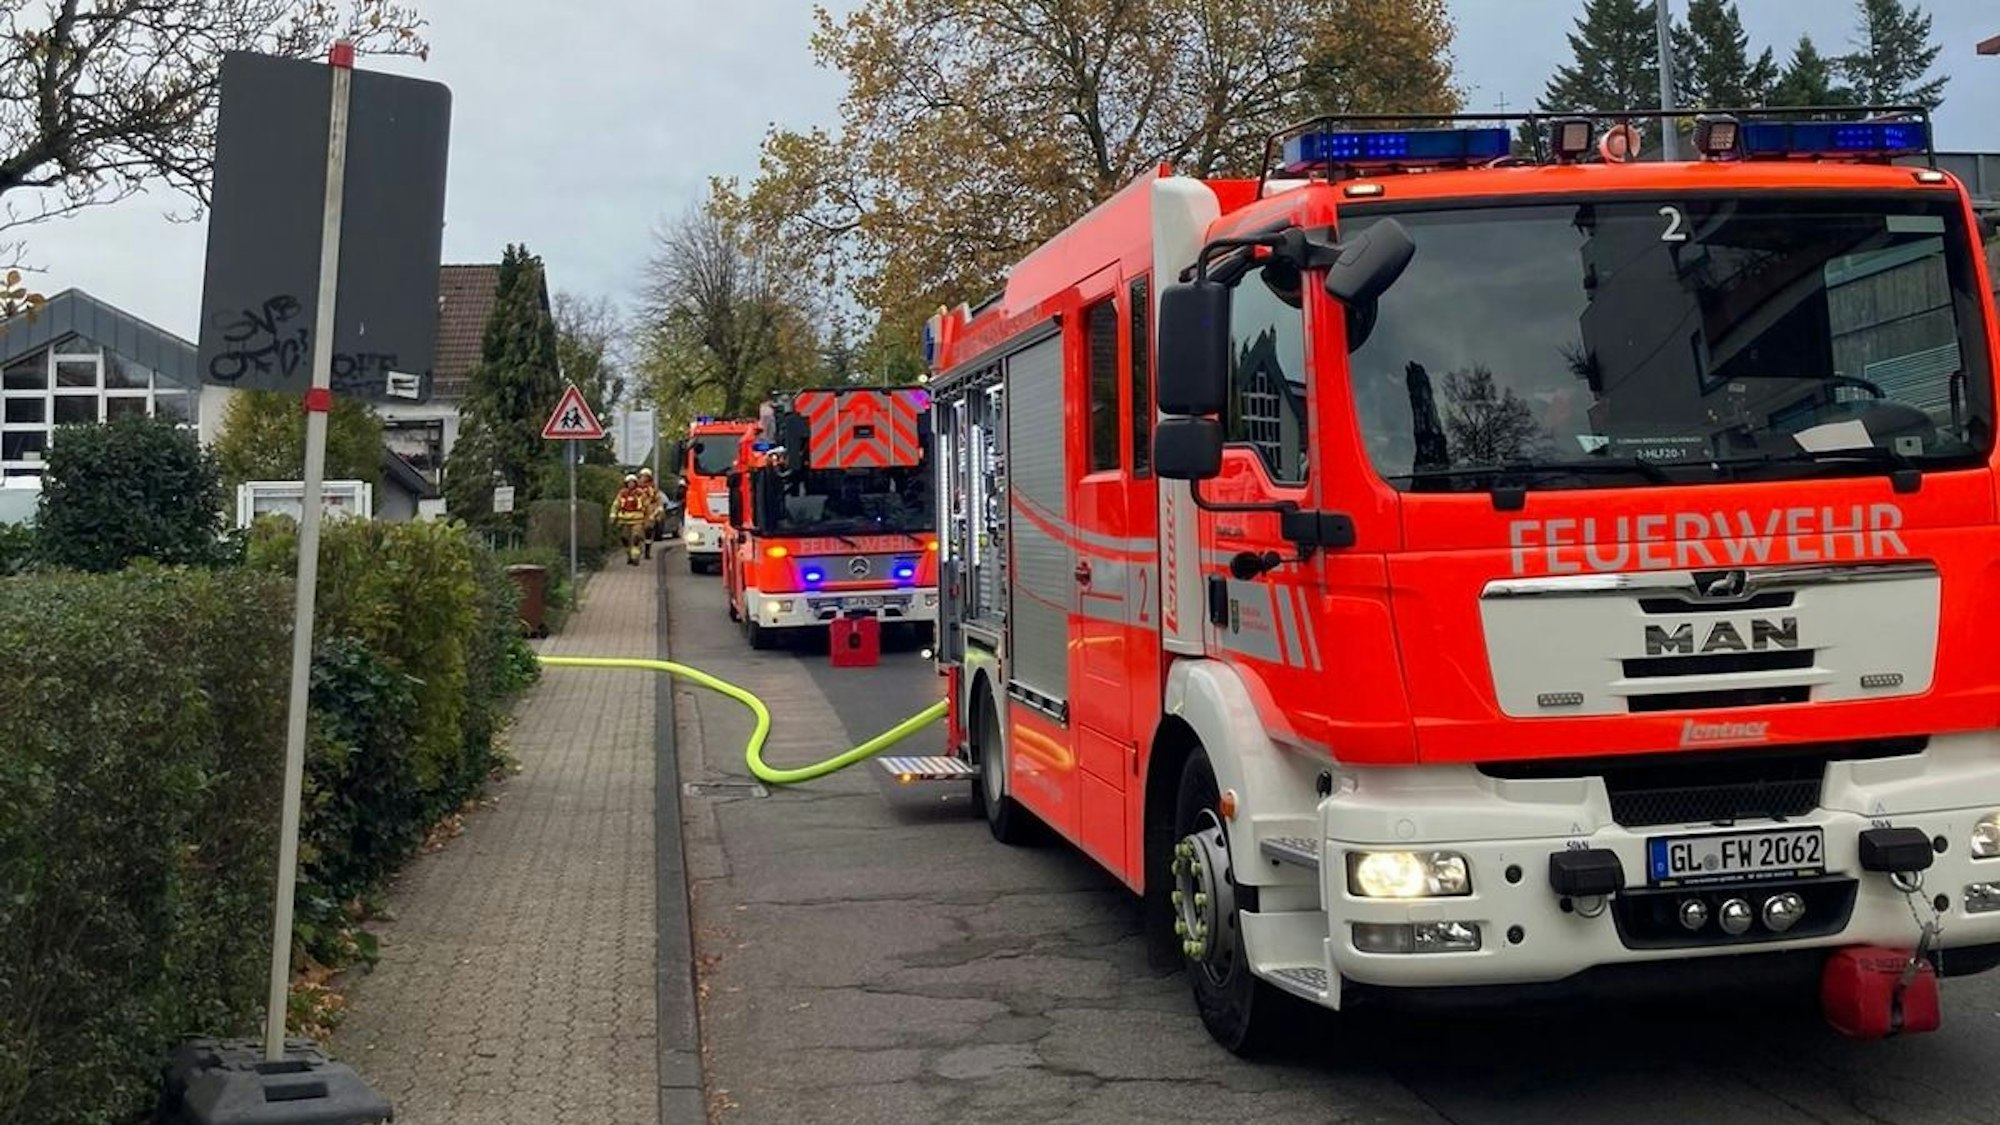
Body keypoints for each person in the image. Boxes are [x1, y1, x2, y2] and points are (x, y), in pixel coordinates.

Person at [611, 474, 651, 566]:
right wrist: (613, 516)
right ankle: (629, 555)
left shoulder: (640, 494)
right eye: (629, 483)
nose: (631, 484)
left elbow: (647, 506)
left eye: (632, 482)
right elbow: (615, 505)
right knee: (624, 538)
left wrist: (648, 519)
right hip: (624, 520)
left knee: (636, 538)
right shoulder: (621, 494)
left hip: (637, 520)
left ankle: (635, 557)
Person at [635, 466, 664, 557]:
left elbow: (658, 500)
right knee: (637, 533)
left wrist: (658, 510)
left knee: (648, 532)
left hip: (649, 514)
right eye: (642, 476)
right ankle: (637, 550)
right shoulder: (635, 489)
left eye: (646, 476)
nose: (644, 478)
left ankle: (647, 552)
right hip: (638, 513)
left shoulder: (653, 489)